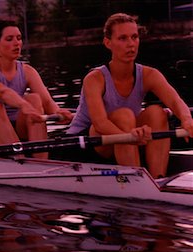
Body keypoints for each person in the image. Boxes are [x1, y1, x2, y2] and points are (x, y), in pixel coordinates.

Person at [67, 13, 193, 178]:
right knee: (124, 115)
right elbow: (100, 123)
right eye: (123, 38)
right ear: (108, 43)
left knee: (156, 112)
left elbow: (175, 101)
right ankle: (138, 181)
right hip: (87, 144)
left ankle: (157, 179)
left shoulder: (149, 74)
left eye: (134, 37)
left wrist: (186, 119)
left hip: (126, 136)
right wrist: (130, 136)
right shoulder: (94, 79)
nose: (131, 44)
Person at [0, 20, 72, 159]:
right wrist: (23, 105)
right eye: (9, 39)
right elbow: (3, 93)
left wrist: (58, 112)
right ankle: (20, 163)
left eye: (19, 38)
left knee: (34, 98)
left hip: (17, 130)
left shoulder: (28, 71)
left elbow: (47, 101)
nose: (16, 43)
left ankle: (41, 161)